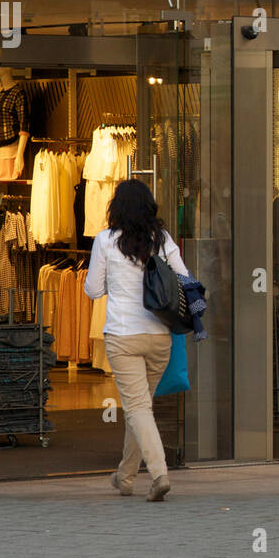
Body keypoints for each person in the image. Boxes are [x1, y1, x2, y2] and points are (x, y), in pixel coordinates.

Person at [84, 178, 189, 502]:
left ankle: (159, 474)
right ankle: (125, 477)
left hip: (123, 337)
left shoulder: (105, 241)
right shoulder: (163, 239)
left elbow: (92, 290)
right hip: (159, 337)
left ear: (116, 208)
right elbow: (184, 278)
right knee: (138, 406)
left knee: (138, 407)